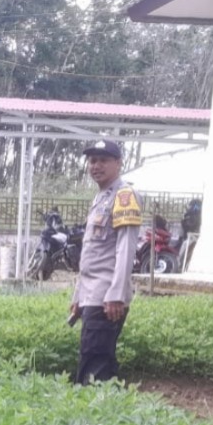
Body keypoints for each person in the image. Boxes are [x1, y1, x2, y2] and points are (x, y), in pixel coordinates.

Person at [69, 139, 142, 384]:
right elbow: (92, 254)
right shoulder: (100, 198)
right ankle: (111, 417)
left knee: (93, 368)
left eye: (103, 160)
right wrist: (78, 296)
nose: (96, 166)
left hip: (107, 297)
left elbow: (126, 248)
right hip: (93, 295)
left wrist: (116, 294)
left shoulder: (124, 196)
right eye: (92, 160)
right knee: (100, 363)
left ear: (118, 164)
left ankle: (92, 419)